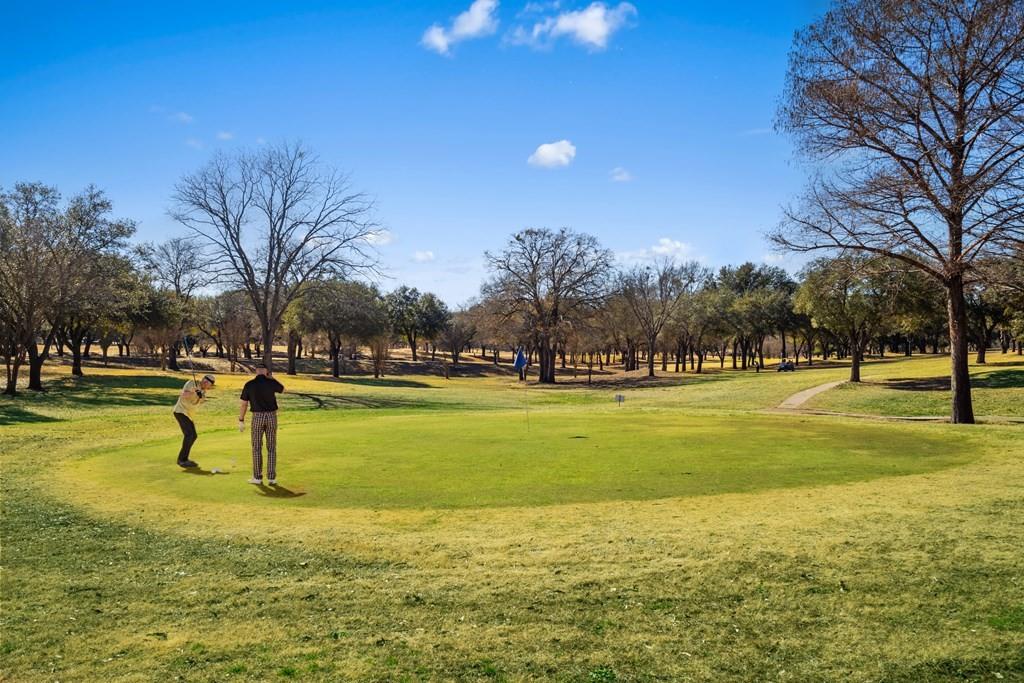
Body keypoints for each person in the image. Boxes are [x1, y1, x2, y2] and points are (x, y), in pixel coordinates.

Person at [239, 364, 285, 485]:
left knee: (256, 448)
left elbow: (244, 404)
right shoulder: (271, 382)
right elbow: (282, 389)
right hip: (271, 416)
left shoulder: (249, 384)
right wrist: (272, 378)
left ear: (256, 372)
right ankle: (271, 478)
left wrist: (241, 419)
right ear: (266, 372)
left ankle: (257, 478)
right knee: (271, 448)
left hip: (257, 417)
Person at [172, 374, 216, 468]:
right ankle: (182, 460)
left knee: (193, 436)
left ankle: (184, 458)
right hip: (180, 411)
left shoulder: (203, 392)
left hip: (188, 415)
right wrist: (194, 392)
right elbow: (183, 395)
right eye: (210, 384)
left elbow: (200, 400)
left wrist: (200, 395)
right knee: (189, 435)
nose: (210, 387)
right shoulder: (191, 383)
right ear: (205, 381)